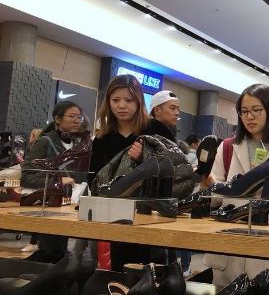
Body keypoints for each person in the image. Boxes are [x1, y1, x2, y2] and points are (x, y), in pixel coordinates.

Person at [203, 83, 269, 294]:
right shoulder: (228, 147)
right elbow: (213, 195)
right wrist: (209, 187)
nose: (249, 117)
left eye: (256, 110)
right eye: (244, 111)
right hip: (229, 248)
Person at [90, 74, 178, 271]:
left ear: (138, 101)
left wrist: (144, 159)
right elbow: (93, 179)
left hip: (152, 216)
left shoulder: (156, 129)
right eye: (115, 100)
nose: (121, 105)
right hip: (115, 217)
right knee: (118, 272)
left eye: (128, 100)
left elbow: (173, 170)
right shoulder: (103, 138)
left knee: (153, 271)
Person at [21, 101, 84, 263]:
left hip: (69, 209)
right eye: (71, 116)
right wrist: (58, 181)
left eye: (79, 117)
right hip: (49, 209)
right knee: (51, 254)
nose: (77, 121)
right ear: (57, 119)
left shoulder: (78, 145)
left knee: (60, 255)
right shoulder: (44, 142)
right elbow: (27, 177)